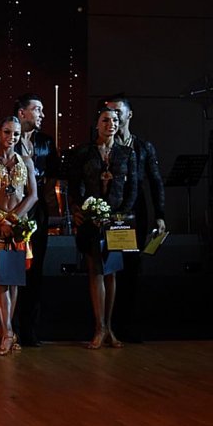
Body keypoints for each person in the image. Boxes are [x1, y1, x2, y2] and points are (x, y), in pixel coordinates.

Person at [69, 107, 138, 349]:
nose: (111, 124)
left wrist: (120, 215)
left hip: (117, 220)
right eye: (105, 120)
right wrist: (81, 209)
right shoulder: (83, 152)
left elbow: (133, 188)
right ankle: (98, 327)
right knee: (95, 270)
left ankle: (109, 327)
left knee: (111, 271)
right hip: (91, 219)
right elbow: (74, 185)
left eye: (115, 120)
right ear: (97, 124)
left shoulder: (127, 153)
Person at [103, 95, 166, 343]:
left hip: (135, 211)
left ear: (129, 114)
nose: (114, 116)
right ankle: (105, 325)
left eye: (118, 111)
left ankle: (125, 324)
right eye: (109, 112)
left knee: (131, 267)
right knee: (109, 267)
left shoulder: (143, 147)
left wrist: (160, 214)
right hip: (110, 209)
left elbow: (155, 181)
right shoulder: (104, 145)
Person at [0, 117, 38, 356]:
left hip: (18, 226)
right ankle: (7, 331)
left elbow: (32, 195)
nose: (11, 137)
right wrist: (1, 220)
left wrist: (13, 220)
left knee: (13, 279)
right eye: (7, 132)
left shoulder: (27, 161)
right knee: (0, 279)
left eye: (15, 134)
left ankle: (7, 329)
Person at [9, 94, 60, 347]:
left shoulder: (46, 142)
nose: (42, 115)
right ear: (22, 113)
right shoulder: (7, 138)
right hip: (13, 209)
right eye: (37, 109)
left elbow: (53, 175)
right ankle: (9, 328)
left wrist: (41, 199)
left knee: (35, 269)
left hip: (38, 210)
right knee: (13, 269)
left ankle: (30, 328)